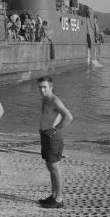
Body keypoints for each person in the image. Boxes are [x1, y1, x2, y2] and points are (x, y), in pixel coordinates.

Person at [37, 76, 73, 209]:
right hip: (45, 137)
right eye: (40, 87)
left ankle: (59, 199)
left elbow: (69, 116)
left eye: (44, 87)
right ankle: (53, 196)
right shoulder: (45, 100)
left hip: (54, 139)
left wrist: (56, 129)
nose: (42, 90)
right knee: (50, 167)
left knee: (55, 168)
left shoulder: (55, 101)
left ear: (51, 87)